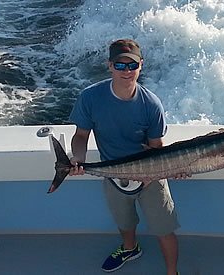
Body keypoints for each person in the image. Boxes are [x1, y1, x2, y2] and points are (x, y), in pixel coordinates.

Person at [64, 38, 180, 275]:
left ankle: (172, 272)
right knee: (125, 222)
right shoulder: (90, 98)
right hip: (113, 173)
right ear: (109, 66)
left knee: (164, 229)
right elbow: (81, 136)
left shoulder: (152, 105)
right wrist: (77, 158)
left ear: (141, 66)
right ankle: (130, 248)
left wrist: (153, 175)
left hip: (150, 174)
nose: (126, 71)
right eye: (120, 65)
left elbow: (156, 148)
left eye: (132, 65)